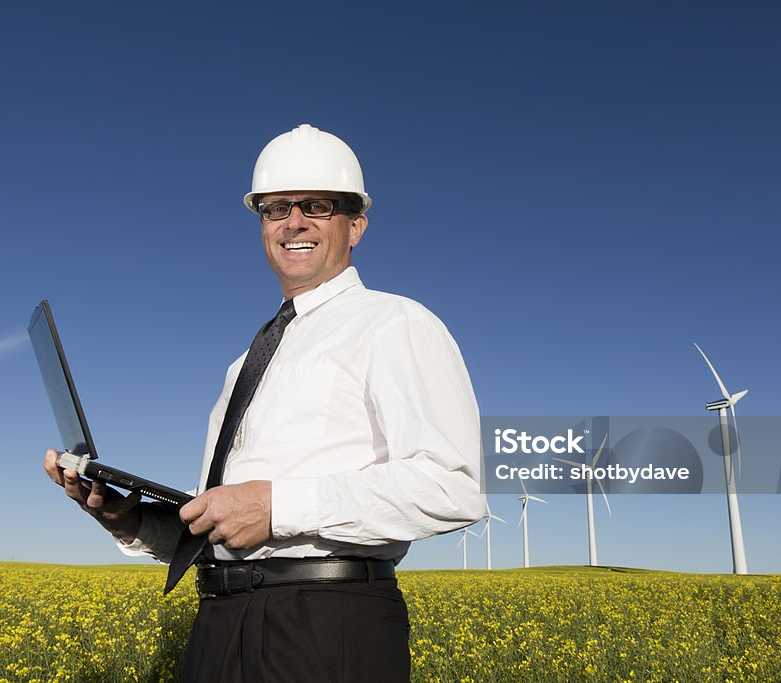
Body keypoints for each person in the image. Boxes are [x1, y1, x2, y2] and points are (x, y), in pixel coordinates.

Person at [44, 123, 484, 682]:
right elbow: (226, 525)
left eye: (317, 206)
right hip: (218, 621)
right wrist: (127, 517)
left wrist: (277, 507)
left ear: (357, 226)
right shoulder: (247, 361)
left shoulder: (397, 324)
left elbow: (453, 487)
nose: (293, 222)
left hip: (326, 626)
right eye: (275, 209)